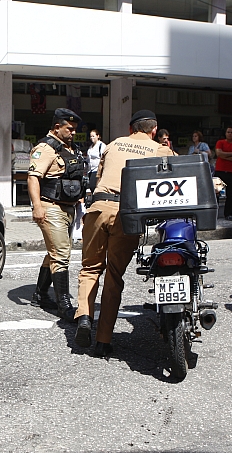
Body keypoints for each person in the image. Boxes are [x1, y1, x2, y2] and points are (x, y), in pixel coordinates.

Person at [74, 110, 174, 357]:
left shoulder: (113, 144)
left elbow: (97, 179)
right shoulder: (158, 149)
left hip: (98, 208)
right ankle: (103, 341)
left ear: (131, 130)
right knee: (114, 276)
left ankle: (85, 317)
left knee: (90, 269)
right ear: (154, 130)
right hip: (127, 214)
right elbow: (181, 171)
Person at [27, 108, 87, 321]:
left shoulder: (70, 149)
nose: (73, 133)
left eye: (75, 129)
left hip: (69, 208)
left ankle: (40, 294)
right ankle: (64, 304)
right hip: (50, 206)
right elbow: (33, 177)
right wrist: (37, 206)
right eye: (69, 129)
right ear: (56, 127)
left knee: (54, 252)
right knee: (61, 255)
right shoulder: (46, 148)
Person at [214, 127, 232, 221]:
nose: (230, 134)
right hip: (220, 171)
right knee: (216, 193)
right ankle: (214, 214)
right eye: (228, 132)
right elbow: (218, 154)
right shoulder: (220, 142)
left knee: (230, 195)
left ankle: (228, 214)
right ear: (225, 133)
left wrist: (225, 155)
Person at [85, 129, 106, 194]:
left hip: (97, 169)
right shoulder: (91, 147)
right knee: (91, 187)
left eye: (93, 136)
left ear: (98, 136)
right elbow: (89, 159)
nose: (92, 138)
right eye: (90, 136)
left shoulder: (101, 145)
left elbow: (104, 157)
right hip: (90, 170)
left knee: (93, 186)